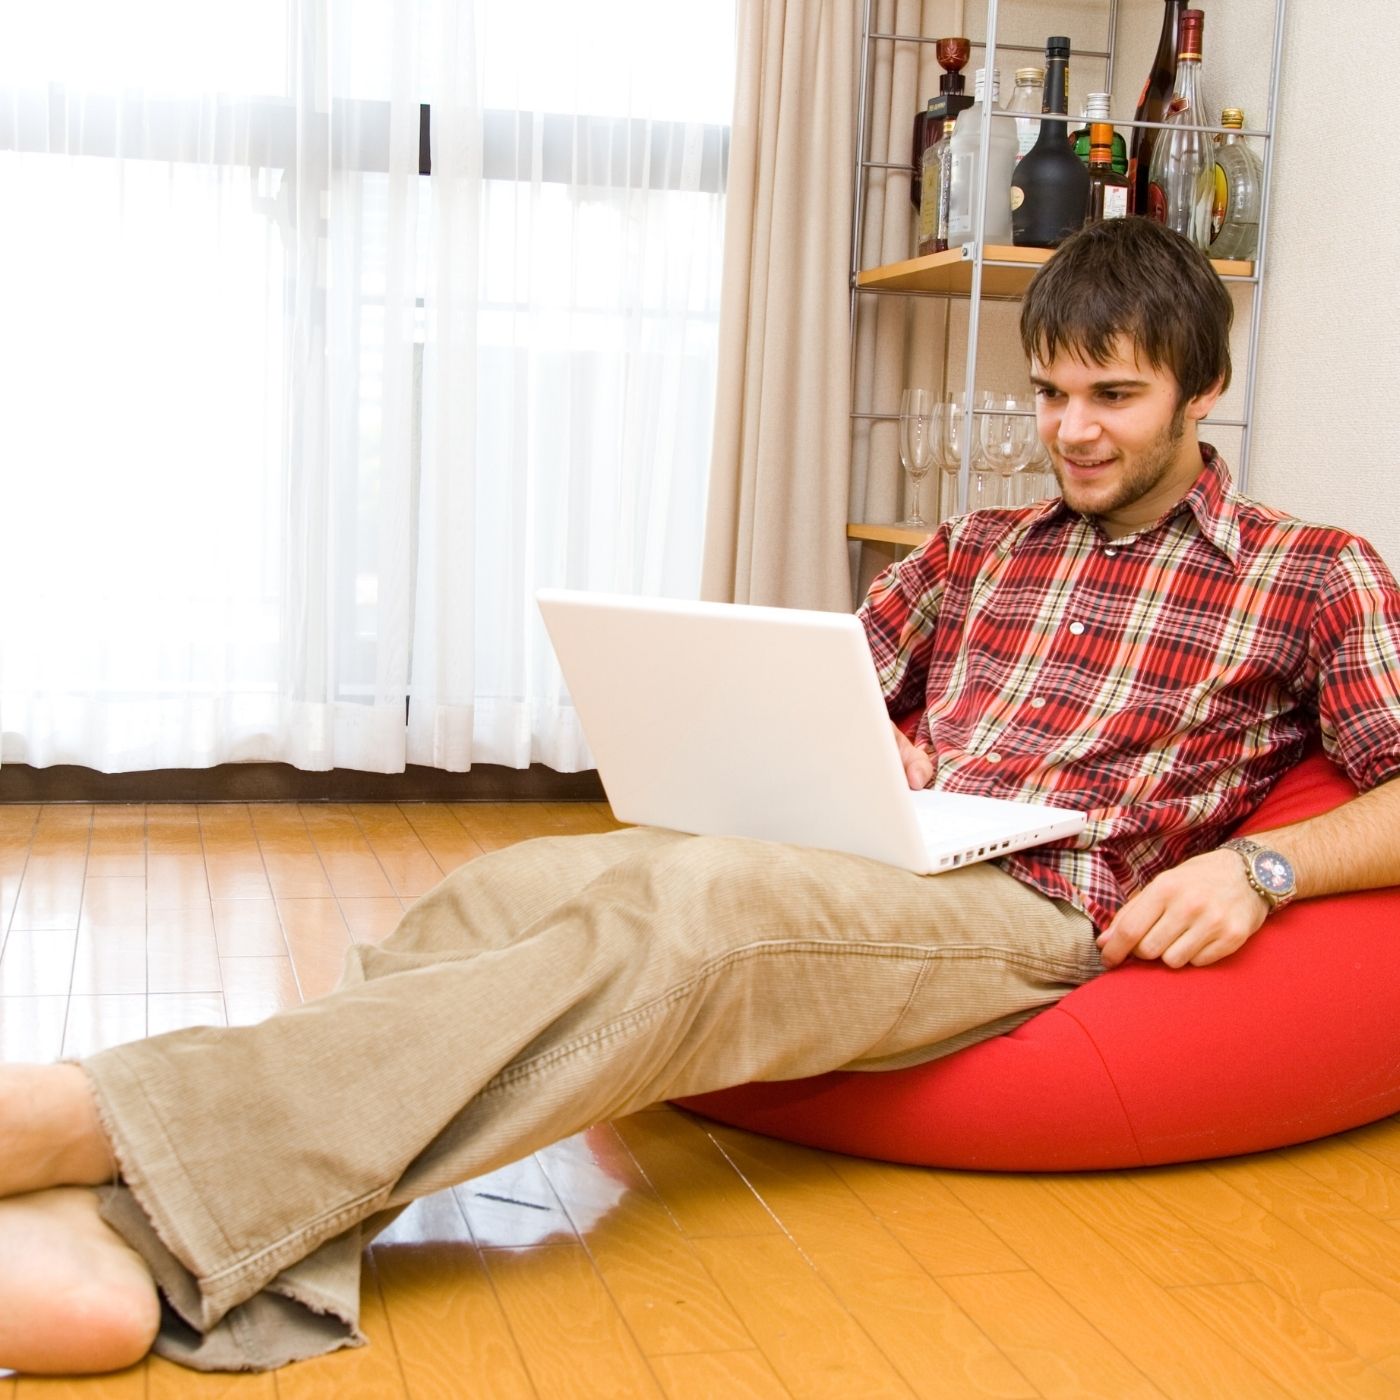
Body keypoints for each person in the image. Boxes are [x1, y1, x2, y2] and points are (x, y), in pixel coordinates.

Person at [4, 216, 1400, 1377]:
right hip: (890, 839)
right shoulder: (983, 546)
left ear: (1201, 389)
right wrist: (881, 741)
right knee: (517, 885)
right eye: (1048, 393)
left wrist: (1263, 872)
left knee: (699, 917)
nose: (1071, 431)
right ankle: (162, 1226)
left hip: (1033, 900)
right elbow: (825, 682)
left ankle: (110, 1141)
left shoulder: (1312, 569)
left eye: (1113, 396)